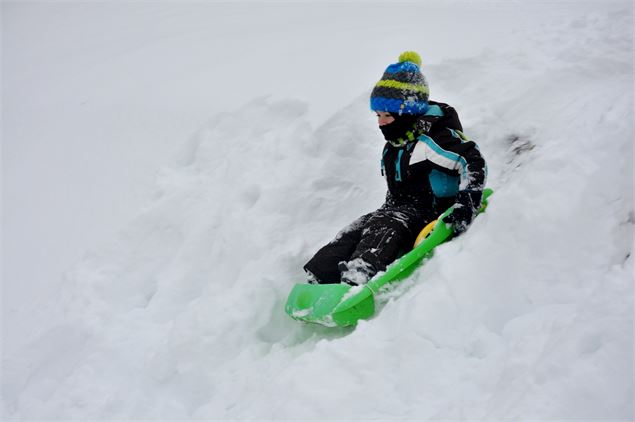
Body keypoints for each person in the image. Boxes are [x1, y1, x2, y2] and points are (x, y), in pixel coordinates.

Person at [304, 51, 487, 285]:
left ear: (406, 113)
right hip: (397, 209)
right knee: (357, 228)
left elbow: (472, 161)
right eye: (378, 115)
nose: (381, 122)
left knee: (386, 225)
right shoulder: (394, 145)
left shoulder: (431, 141)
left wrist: (467, 203)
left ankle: (357, 277)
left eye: (387, 115)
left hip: (432, 212)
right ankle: (318, 276)